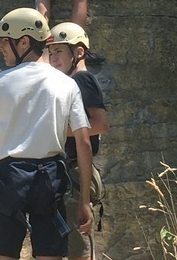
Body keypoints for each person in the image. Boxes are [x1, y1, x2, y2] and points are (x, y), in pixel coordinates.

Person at [0, 7, 94, 260]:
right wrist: (84, 201)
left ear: (24, 41)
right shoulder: (67, 84)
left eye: (4, 41)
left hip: (10, 177)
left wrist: (8, 167)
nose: (0, 48)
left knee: (1, 254)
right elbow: (84, 142)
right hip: (50, 180)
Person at [46, 22, 109, 260]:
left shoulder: (82, 80)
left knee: (78, 247)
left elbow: (100, 123)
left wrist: (58, 131)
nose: (52, 57)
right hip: (69, 170)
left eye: (59, 51)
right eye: (50, 52)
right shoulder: (70, 82)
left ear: (78, 52)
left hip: (75, 171)